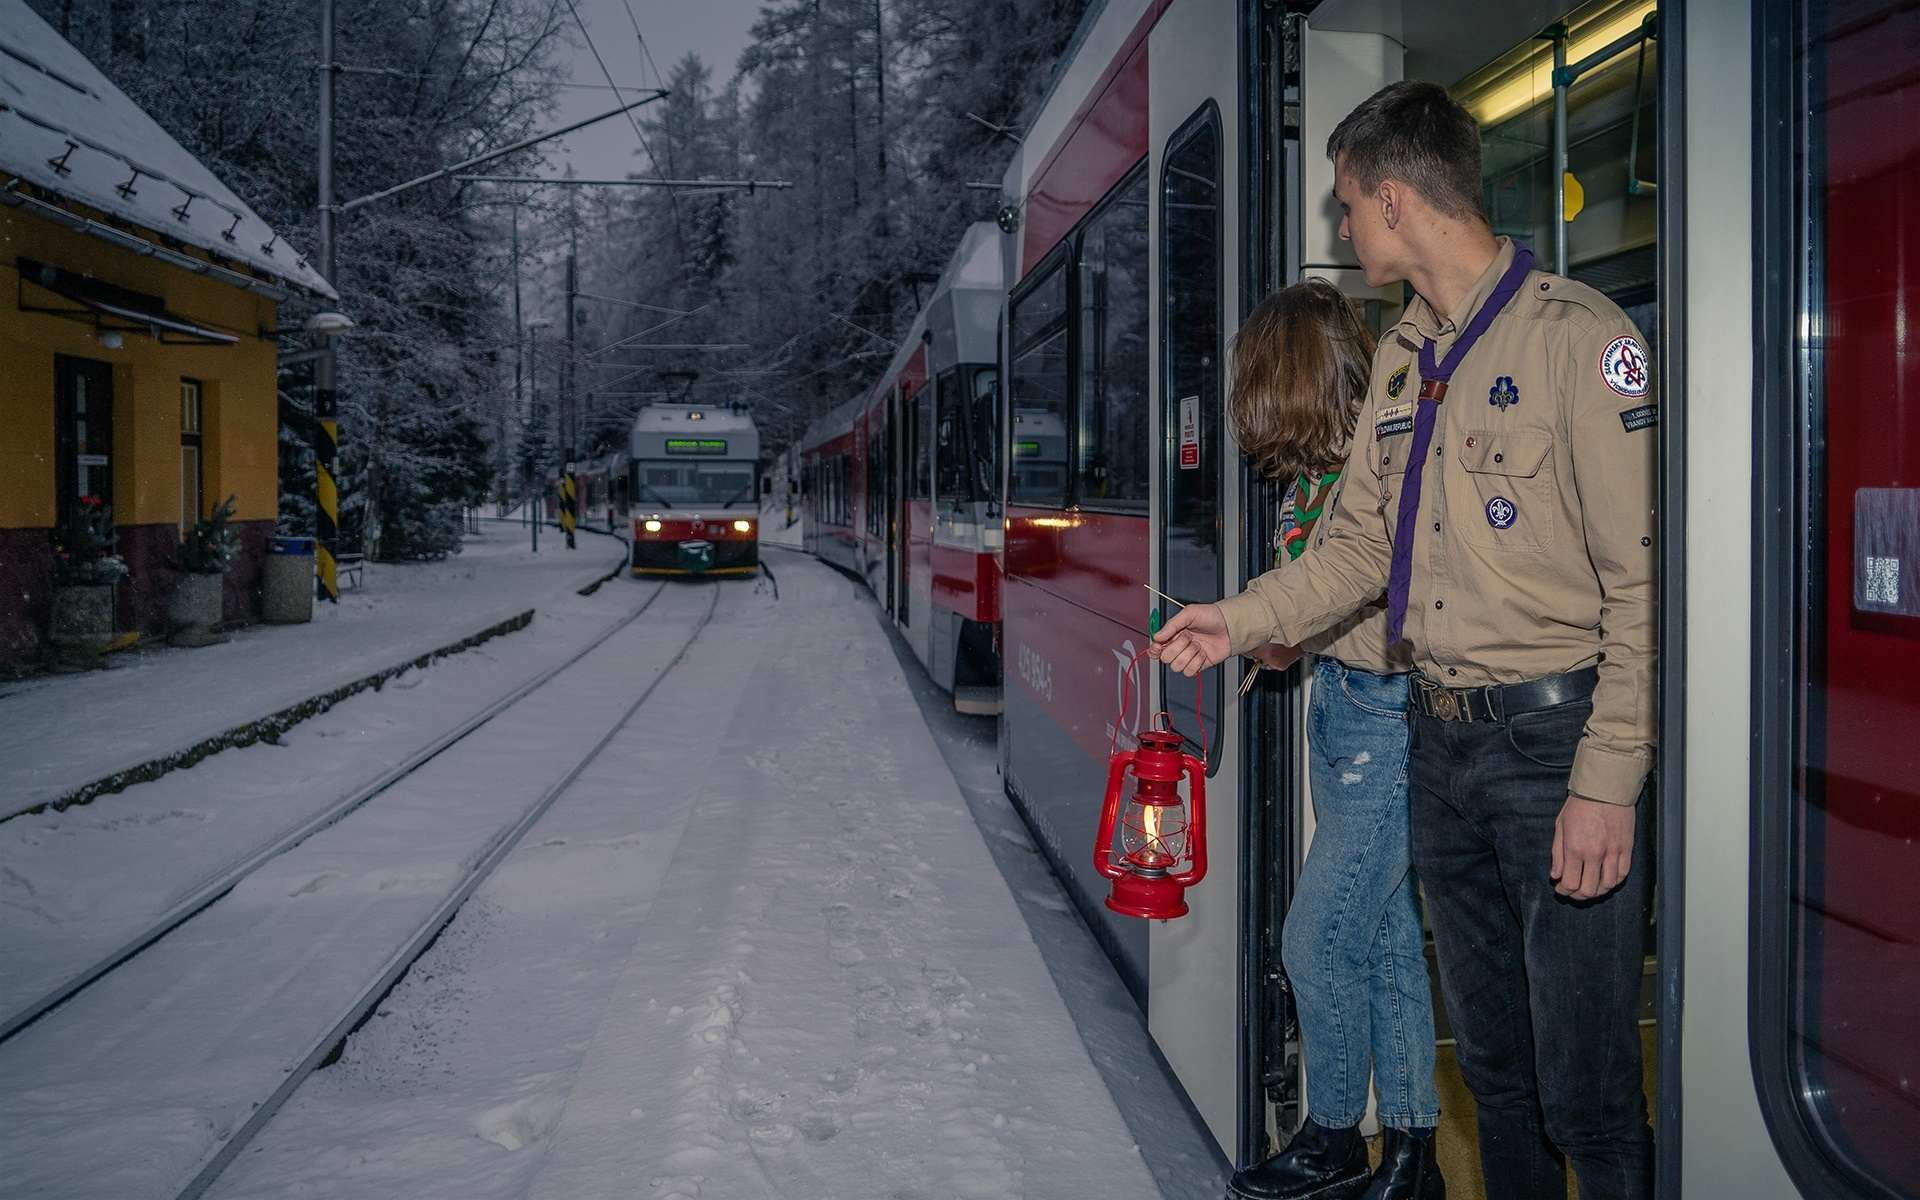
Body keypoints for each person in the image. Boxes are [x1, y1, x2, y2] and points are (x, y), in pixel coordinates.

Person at [1152, 80, 1657, 1200]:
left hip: (1552, 750)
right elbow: (1352, 558)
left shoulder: (1583, 340)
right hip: (1438, 748)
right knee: (1494, 1070)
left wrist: (1608, 782)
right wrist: (1232, 622)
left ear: (1393, 198)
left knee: (1587, 1088)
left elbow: (1644, 587)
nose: (1341, 228)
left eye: (1345, 205)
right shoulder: (1399, 361)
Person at [1223, 281, 1443, 1200]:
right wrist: (1282, 638)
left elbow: (1362, 583)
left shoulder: (1374, 465)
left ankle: (1332, 1136)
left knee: (1315, 942)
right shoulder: (1319, 475)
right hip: (1347, 708)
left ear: (1292, 383)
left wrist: (1278, 628)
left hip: (1385, 716)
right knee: (1385, 942)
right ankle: (1411, 1156)